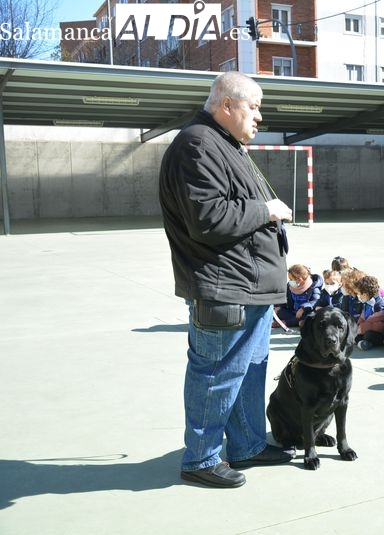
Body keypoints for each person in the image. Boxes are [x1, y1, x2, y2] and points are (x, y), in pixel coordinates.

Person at [159, 71, 294, 488]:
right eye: (253, 106)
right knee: (216, 373)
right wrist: (268, 211)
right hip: (224, 288)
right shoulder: (198, 145)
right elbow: (208, 218)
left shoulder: (224, 145)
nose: (259, 115)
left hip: (248, 286)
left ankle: (247, 444)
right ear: (227, 105)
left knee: (248, 369)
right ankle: (200, 458)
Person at [354, 274, 384, 351]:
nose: (358, 296)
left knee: (368, 335)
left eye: (359, 294)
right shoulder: (367, 303)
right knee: (357, 336)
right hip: (366, 328)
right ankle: (363, 342)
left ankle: (365, 343)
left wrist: (363, 327)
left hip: (380, 333)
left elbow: (380, 326)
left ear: (365, 294)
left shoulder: (380, 305)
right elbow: (363, 317)